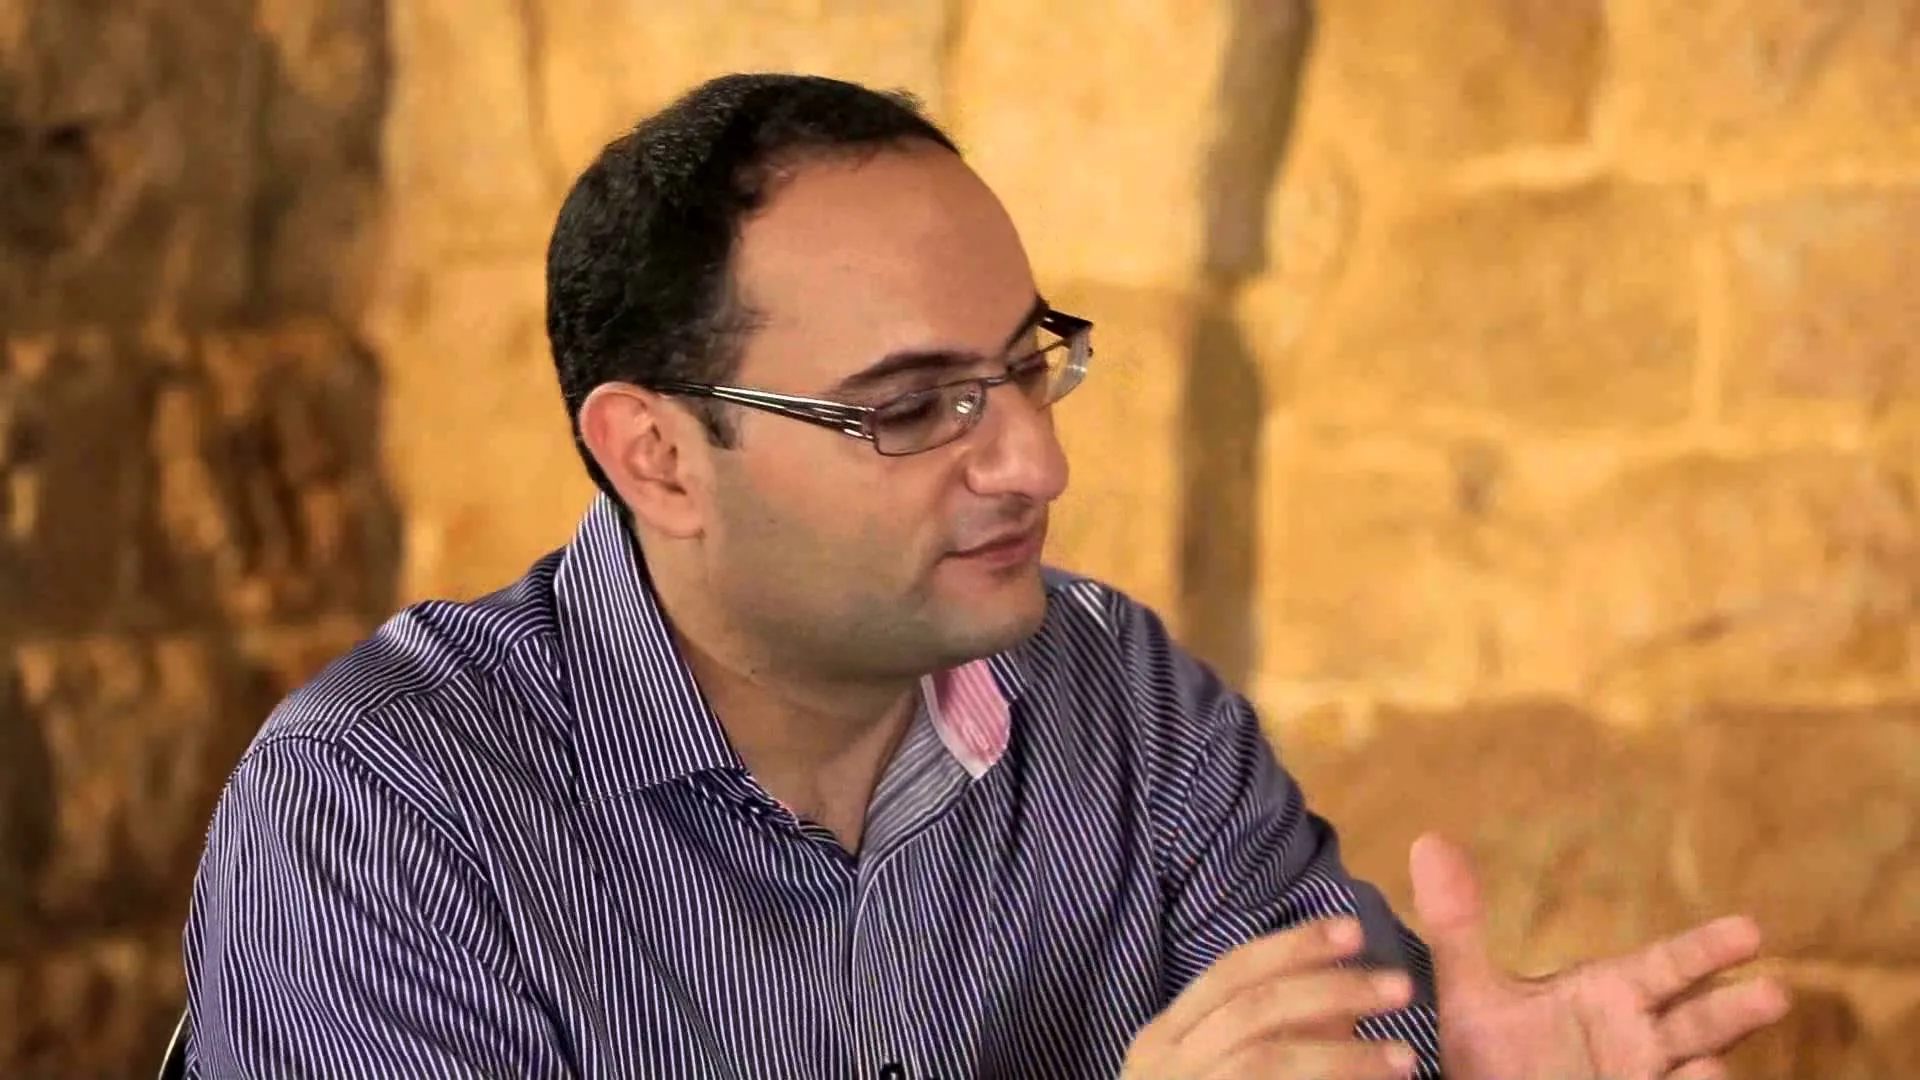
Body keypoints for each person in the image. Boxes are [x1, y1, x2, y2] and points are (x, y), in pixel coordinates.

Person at [181, 73, 1789, 1079]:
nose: (1034, 460)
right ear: (656, 456)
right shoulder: (382, 811)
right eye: (911, 406)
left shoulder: (1123, 699)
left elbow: (1339, 1053)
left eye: (1027, 365)